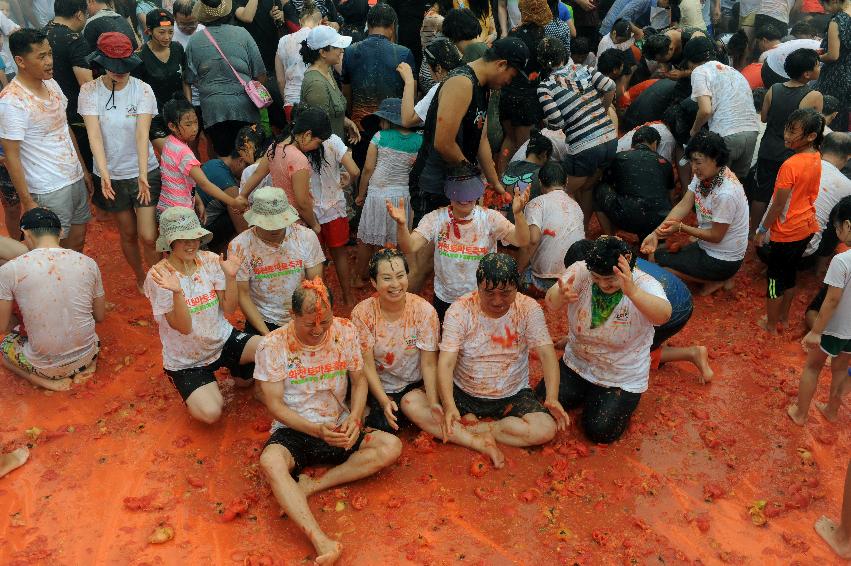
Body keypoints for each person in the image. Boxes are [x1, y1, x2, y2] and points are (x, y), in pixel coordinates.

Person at [255, 279, 402, 566]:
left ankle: (312, 485)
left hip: (338, 424)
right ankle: (322, 540)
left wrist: (356, 419)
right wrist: (314, 429)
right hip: (295, 429)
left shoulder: (345, 331)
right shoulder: (273, 345)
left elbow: (359, 383)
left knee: (391, 446)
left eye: (325, 322)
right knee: (270, 462)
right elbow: (273, 404)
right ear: (292, 315)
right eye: (309, 323)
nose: (318, 330)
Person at [415, 253, 568, 463]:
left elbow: (547, 355)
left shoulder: (528, 308)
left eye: (506, 293)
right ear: (478, 287)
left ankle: (476, 429)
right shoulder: (459, 310)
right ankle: (477, 429)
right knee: (414, 404)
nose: (497, 301)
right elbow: (446, 362)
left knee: (545, 429)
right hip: (464, 392)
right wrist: (450, 405)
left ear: (517, 287)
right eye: (489, 293)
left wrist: (552, 397)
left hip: (512, 393)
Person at [542, 236, 672, 443]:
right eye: (596, 277)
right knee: (541, 403)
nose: (603, 284)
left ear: (625, 265)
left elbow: (664, 315)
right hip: (577, 363)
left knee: (599, 430)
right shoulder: (581, 270)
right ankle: (588, 392)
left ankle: (605, 398)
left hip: (620, 374)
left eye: (610, 279)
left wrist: (633, 292)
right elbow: (551, 302)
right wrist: (560, 295)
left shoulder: (644, 282)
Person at [144, 206, 262, 424]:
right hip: (186, 361)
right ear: (170, 242)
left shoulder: (208, 259)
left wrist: (230, 276)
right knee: (211, 413)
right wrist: (178, 292)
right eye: (183, 239)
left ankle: (237, 373)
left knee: (268, 348)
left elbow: (229, 308)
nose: (191, 244)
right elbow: (184, 327)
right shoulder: (159, 276)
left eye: (195, 237)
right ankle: (197, 386)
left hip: (222, 340)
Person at [410, 37, 526, 226]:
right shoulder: (462, 83)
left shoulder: (484, 87)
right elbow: (443, 143)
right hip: (433, 181)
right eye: (511, 76)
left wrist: (494, 183)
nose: (508, 82)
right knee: (429, 242)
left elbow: (481, 138)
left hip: (457, 179)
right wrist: (471, 173)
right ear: (501, 64)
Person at [79, 32, 161, 293]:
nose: (120, 72)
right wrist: (104, 174)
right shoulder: (89, 91)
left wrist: (141, 173)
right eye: (114, 67)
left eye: (124, 67)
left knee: (148, 236)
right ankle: (141, 276)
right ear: (102, 63)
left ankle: (159, 280)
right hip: (112, 175)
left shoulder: (143, 89)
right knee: (127, 234)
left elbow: (141, 133)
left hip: (144, 171)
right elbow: (94, 135)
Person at [0, 28, 94, 252]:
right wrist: (28, 202)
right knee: (52, 251)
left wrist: (83, 169)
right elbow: (11, 157)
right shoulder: (12, 101)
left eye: (50, 54)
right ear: (20, 61)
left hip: (73, 178)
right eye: (41, 56)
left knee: (78, 240)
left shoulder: (51, 84)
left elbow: (64, 127)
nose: (49, 61)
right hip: (46, 188)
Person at [389, 175, 531, 321]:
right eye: (459, 192)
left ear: (477, 192)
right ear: (449, 193)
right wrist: (401, 226)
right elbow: (410, 246)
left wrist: (518, 214)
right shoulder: (436, 218)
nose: (464, 197)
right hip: (445, 298)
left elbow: (522, 240)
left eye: (469, 192)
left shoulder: (490, 218)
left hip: (479, 298)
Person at [0, 207, 104, 391]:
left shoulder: (11, 270)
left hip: (46, 368)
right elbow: (100, 316)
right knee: (90, 333)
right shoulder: (88, 263)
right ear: (61, 231)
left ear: (25, 233)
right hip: (87, 354)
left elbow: (2, 326)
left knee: (5, 347)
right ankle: (89, 366)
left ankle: (44, 381)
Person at [641, 131, 749, 296]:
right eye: (691, 162)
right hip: (707, 247)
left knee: (658, 262)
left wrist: (681, 228)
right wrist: (655, 234)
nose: (693, 168)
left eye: (698, 162)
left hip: (722, 259)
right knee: (660, 254)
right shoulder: (705, 175)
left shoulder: (726, 192)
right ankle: (719, 278)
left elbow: (716, 236)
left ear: (716, 159)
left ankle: (718, 279)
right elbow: (684, 205)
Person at [351, 249, 440, 433]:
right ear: (374, 282)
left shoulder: (424, 311)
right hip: (377, 384)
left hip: (411, 385)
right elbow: (366, 365)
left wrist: (433, 402)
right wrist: (384, 401)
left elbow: (429, 364)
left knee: (418, 417)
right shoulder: (362, 314)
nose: (395, 284)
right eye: (386, 278)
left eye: (400, 276)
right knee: (380, 427)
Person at [755, 109, 825, 333]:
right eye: (787, 128)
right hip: (806, 227)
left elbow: (777, 204)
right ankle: (784, 318)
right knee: (790, 274)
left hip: (786, 232)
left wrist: (762, 229)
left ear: (811, 136)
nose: (786, 134)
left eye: (793, 131)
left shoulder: (790, 165)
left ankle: (771, 324)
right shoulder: (816, 157)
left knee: (774, 281)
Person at [537, 36, 617, 226]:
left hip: (585, 148)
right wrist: (603, 110)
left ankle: (564, 230)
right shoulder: (584, 69)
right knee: (587, 187)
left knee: (559, 192)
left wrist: (547, 123)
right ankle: (583, 227)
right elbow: (610, 86)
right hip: (610, 139)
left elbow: (556, 122)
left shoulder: (545, 86)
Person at [788, 196, 851, 426]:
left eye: (837, 228)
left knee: (813, 366)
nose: (837, 233)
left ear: (847, 225)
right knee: (841, 368)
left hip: (834, 328)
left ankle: (800, 413)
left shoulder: (842, 261)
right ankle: (831, 411)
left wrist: (816, 331)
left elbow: (832, 300)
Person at [230, 187, 324, 338]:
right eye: (269, 224)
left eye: (280, 222)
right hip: (263, 319)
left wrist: (304, 321)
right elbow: (243, 295)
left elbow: (315, 285)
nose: (275, 228)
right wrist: (266, 335)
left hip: (302, 313)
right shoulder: (240, 246)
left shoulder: (305, 237)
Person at [353, 99, 423, 287]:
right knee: (400, 241)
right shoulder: (420, 141)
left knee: (367, 240)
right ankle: (397, 278)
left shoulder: (379, 137)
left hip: (377, 194)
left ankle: (361, 277)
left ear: (389, 120)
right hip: (402, 196)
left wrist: (360, 194)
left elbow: (368, 169)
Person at [753, 48, 823, 234]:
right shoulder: (814, 97)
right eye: (817, 65)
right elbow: (816, 129)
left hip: (768, 149)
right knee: (785, 198)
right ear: (807, 74)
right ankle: (773, 233)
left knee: (761, 193)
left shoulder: (773, 90)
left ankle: (753, 232)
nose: (819, 67)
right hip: (792, 155)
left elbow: (764, 118)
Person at [184, 0, 267, 157]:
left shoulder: (194, 41)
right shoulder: (243, 34)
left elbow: (188, 79)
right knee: (249, 154)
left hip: (213, 110)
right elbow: (260, 73)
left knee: (223, 156)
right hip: (245, 106)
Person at [342, 3, 415, 168]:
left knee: (362, 174)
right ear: (392, 27)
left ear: (368, 25)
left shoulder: (350, 51)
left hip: (359, 128)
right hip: (393, 129)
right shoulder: (404, 53)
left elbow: (346, 93)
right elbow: (412, 94)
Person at [686, 36, 760, 183]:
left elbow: (706, 110)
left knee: (713, 186)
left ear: (691, 60)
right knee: (735, 186)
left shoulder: (700, 71)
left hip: (726, 135)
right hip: (751, 132)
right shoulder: (734, 71)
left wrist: (694, 130)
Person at [157, 98, 247, 217]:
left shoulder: (169, 143)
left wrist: (197, 201)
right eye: (188, 124)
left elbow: (186, 180)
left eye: (196, 122)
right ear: (172, 126)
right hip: (180, 213)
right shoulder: (184, 153)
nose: (194, 128)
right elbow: (204, 184)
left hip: (166, 207)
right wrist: (233, 202)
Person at [595, 124, 675, 239]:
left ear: (633, 144)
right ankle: (654, 239)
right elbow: (671, 197)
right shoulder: (665, 163)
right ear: (655, 144)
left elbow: (608, 183)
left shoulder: (619, 158)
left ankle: (611, 237)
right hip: (660, 221)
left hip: (627, 218)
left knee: (598, 188)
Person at [521, 161, 585, 297]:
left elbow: (533, 240)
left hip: (545, 282)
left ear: (540, 182)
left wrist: (516, 271)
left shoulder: (537, 203)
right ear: (566, 181)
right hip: (575, 281)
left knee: (519, 273)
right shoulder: (576, 206)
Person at [45, 0, 93, 179]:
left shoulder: (42, 34)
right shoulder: (74, 39)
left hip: (51, 114)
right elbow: (87, 85)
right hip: (76, 117)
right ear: (79, 14)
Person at [198, 124, 262, 251]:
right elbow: (242, 229)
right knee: (242, 211)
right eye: (247, 168)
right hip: (202, 235)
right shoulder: (230, 186)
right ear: (240, 161)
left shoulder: (213, 162)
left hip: (196, 224)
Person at [299, 25, 359, 143]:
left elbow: (331, 114)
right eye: (337, 47)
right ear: (323, 52)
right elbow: (320, 131)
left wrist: (346, 122)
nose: (341, 50)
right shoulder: (316, 84)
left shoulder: (328, 71)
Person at [803, 132, 851, 268]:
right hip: (804, 254)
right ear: (848, 158)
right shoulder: (847, 186)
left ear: (821, 148)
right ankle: (820, 269)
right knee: (839, 220)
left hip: (766, 241)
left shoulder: (795, 164)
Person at [399, 37, 464, 128]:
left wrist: (409, 81)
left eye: (428, 67)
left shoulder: (441, 87)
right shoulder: (465, 77)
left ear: (438, 68)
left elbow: (407, 120)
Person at [133, 10, 189, 110]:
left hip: (180, 111)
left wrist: (189, 106)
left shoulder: (178, 48)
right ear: (149, 31)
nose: (167, 37)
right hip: (154, 114)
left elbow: (186, 80)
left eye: (171, 32)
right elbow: (137, 93)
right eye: (161, 32)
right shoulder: (140, 57)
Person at [274, 0, 321, 122]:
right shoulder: (320, 40)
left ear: (300, 21)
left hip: (291, 101)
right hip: (316, 99)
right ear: (320, 22)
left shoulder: (283, 41)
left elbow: (280, 80)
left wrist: (287, 100)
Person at [497, 128, 552, 222]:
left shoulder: (512, 165)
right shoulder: (541, 174)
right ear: (544, 154)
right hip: (522, 227)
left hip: (499, 222)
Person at [818, 0, 851, 133]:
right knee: (844, 118)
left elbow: (833, 55)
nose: (824, 9)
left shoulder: (837, 21)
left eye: (824, 4)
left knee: (829, 117)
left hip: (836, 76)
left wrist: (816, 57)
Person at [599, 0, 673, 35]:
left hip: (615, 28)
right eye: (667, 6)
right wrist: (638, 32)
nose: (665, 8)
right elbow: (623, 17)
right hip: (610, 30)